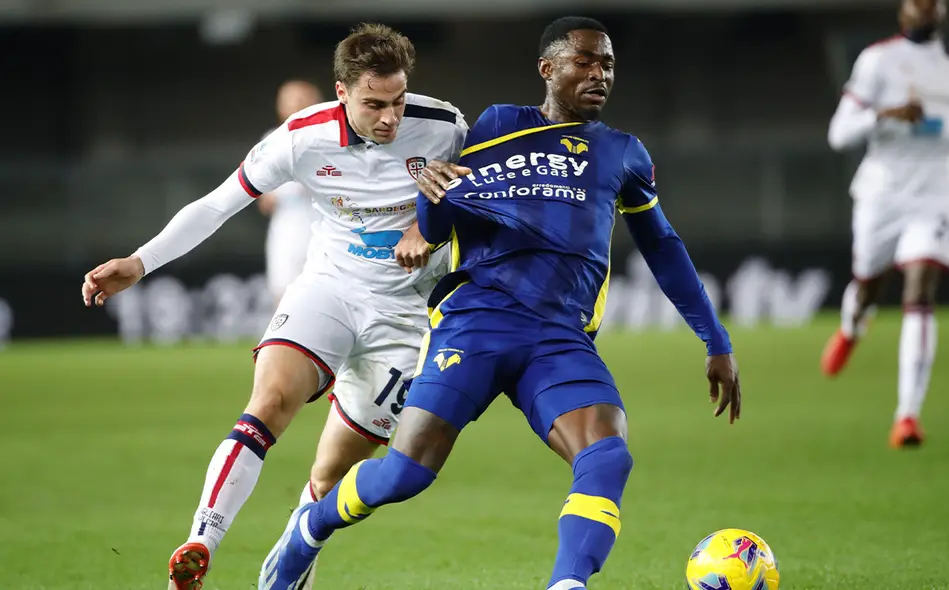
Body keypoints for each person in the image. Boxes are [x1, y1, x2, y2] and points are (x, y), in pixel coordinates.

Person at [261, 16, 740, 590]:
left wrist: (716, 340)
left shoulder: (623, 153)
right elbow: (443, 208)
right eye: (584, 61)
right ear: (548, 68)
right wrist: (428, 205)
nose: (599, 74)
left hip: (559, 337)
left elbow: (661, 244)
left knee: (608, 455)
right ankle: (309, 528)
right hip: (476, 320)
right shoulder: (497, 126)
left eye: (607, 64)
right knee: (406, 474)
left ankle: (568, 584)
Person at [79, 23, 467, 590]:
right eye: (374, 104)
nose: (390, 117)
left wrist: (427, 226)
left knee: (332, 473)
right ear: (341, 92)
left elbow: (489, 189)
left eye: (399, 101)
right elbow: (216, 206)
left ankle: (287, 566)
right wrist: (140, 263)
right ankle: (201, 540)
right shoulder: (299, 138)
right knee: (270, 400)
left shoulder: (445, 127)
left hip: (406, 316)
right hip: (331, 286)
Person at [822, 0, 949, 448]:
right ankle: (852, 327)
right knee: (870, 285)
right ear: (902, 12)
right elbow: (839, 133)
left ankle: (907, 416)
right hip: (884, 194)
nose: (927, 6)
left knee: (920, 289)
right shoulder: (877, 60)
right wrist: (885, 114)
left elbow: (948, 121)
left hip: (937, 196)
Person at [257, 80, 324, 306]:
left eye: (302, 99)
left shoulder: (328, 138)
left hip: (323, 223)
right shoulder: (270, 140)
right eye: (289, 100)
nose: (296, 105)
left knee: (323, 291)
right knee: (283, 292)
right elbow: (263, 199)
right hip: (287, 225)